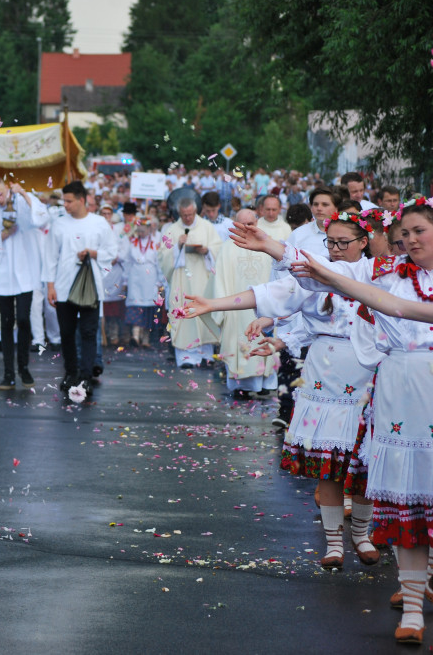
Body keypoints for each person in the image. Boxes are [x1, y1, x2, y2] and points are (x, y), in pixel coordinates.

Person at [230, 204, 433, 644]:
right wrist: (270, 249)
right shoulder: (387, 276)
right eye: (406, 233)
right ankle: (404, 600)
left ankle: (401, 566)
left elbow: (353, 287)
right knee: (393, 489)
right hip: (376, 385)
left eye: (420, 231)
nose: (411, 241)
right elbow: (313, 284)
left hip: (394, 382)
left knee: (404, 486)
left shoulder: (385, 275)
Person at [43, 181, 117, 397]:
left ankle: (85, 376)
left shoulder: (99, 223)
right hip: (63, 285)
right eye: (64, 200)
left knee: (88, 332)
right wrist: (50, 285)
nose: (65, 205)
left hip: (89, 286)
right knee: (66, 333)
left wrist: (93, 253)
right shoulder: (59, 224)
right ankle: (71, 372)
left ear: (82, 200)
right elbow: (50, 256)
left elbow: (111, 251)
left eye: (69, 201)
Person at [0, 176, 49, 389]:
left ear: (6, 188)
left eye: (0, 193)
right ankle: (8, 372)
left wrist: (24, 194)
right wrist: (3, 236)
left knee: (24, 319)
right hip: (4, 272)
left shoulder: (23, 200)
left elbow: (42, 218)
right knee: (6, 322)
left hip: (25, 271)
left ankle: (24, 367)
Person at [207, 209, 276, 399]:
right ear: (235, 224)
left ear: (257, 223)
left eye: (250, 224)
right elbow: (219, 280)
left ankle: (264, 383)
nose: (246, 228)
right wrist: (222, 309)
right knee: (238, 343)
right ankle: (240, 386)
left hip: (263, 307)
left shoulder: (267, 244)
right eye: (242, 224)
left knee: (264, 343)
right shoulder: (228, 247)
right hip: (236, 311)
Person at [159, 197, 222, 367]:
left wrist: (207, 250)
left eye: (191, 214)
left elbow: (218, 248)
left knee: (203, 315)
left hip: (203, 277)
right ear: (179, 213)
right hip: (182, 281)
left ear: (196, 211)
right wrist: (177, 247)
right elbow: (162, 256)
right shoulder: (172, 230)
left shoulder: (207, 227)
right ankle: (186, 357)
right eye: (184, 215)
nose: (188, 218)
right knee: (183, 316)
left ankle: (206, 356)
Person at [122, 217, 164, 348]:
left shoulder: (155, 244)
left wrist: (159, 281)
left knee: (148, 308)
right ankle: (135, 335)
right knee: (135, 306)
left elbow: (159, 264)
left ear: (149, 229)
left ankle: (145, 338)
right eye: (138, 230)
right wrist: (125, 280)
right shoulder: (133, 243)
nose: (141, 232)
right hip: (135, 278)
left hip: (150, 279)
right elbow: (127, 263)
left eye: (143, 230)